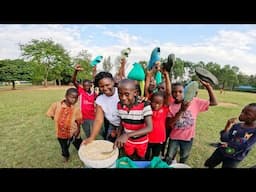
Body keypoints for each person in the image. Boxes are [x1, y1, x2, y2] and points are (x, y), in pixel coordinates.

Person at [165, 80, 218, 165]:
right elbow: (169, 124)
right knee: (169, 157)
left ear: (185, 92)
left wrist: (208, 87)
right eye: (174, 92)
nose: (177, 94)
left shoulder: (194, 102)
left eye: (180, 91)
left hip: (188, 138)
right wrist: (181, 111)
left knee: (184, 157)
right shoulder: (171, 106)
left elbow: (214, 102)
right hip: (174, 137)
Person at [204, 103, 256, 168]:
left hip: (234, 158)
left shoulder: (254, 131)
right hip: (221, 152)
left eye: (247, 114)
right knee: (209, 164)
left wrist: (230, 144)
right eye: (242, 111)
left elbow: (246, 146)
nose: (242, 114)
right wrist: (227, 127)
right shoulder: (236, 126)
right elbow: (224, 139)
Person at [114, 79, 153, 160]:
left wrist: (127, 135)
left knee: (141, 157)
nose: (123, 98)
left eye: (127, 94)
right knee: (130, 156)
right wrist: (118, 137)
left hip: (141, 140)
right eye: (120, 94)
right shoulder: (119, 105)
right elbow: (122, 121)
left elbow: (149, 128)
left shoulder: (144, 105)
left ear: (135, 92)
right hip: (128, 141)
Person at [82, 71, 120, 144]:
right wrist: (92, 137)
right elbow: (99, 120)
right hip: (113, 125)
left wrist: (119, 130)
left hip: (127, 124)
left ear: (113, 82)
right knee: (109, 143)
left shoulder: (121, 93)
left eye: (107, 85)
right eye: (102, 86)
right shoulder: (100, 100)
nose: (105, 88)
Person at [46, 88, 83, 162]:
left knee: (79, 144)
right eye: (72, 97)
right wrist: (59, 120)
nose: (74, 100)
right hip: (60, 133)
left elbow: (78, 120)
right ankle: (66, 155)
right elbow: (51, 114)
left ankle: (82, 153)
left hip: (73, 132)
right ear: (66, 96)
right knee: (64, 146)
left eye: (76, 98)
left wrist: (78, 129)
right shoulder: (56, 105)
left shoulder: (76, 109)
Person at [145, 70, 171, 160]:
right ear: (150, 101)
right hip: (147, 138)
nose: (156, 105)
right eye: (154, 102)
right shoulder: (147, 107)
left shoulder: (164, 109)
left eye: (159, 103)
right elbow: (146, 90)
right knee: (146, 157)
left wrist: (166, 75)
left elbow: (168, 93)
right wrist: (148, 76)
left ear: (163, 103)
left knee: (155, 158)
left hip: (159, 139)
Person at [72, 64, 97, 139]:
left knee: (95, 132)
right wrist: (76, 71)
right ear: (82, 85)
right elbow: (73, 81)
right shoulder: (81, 91)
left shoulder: (94, 93)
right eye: (84, 85)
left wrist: (94, 70)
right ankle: (90, 143)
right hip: (83, 117)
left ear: (90, 85)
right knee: (87, 133)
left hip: (93, 116)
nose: (86, 87)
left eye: (88, 85)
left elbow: (95, 80)